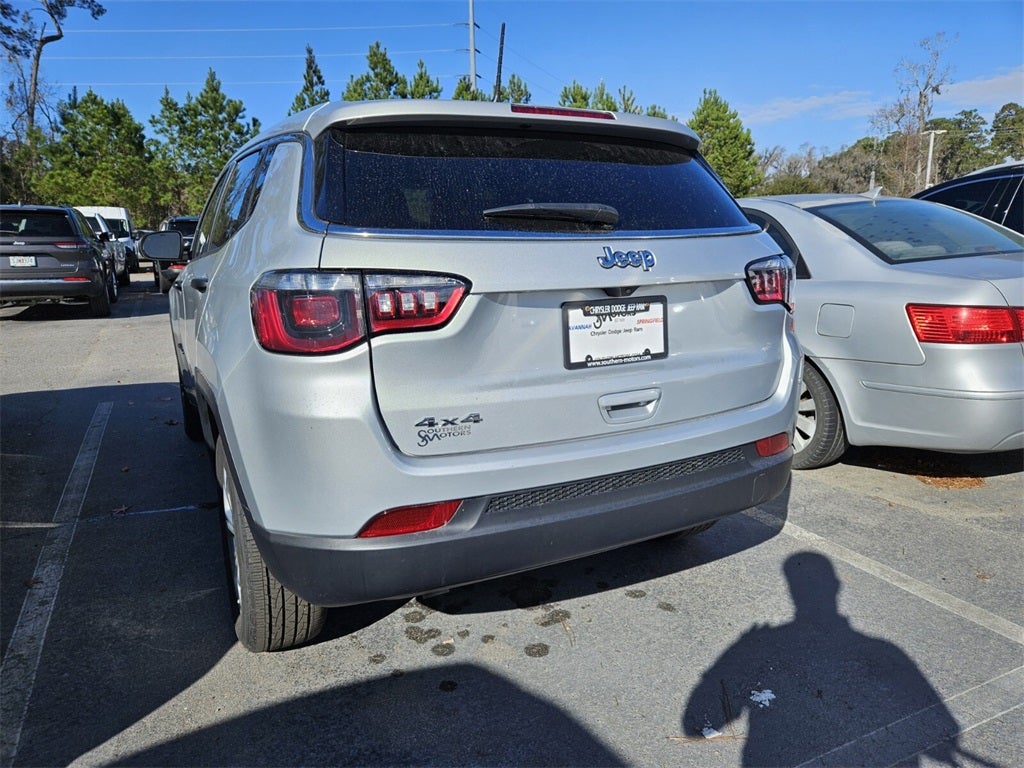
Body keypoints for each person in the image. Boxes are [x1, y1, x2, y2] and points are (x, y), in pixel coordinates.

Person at [682, 551, 991, 766]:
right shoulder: (887, 651)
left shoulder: (760, 642)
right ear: (837, 587)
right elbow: (943, 732)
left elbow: (693, 722)